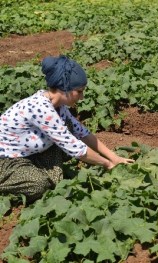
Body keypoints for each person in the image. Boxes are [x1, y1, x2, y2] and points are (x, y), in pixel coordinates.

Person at [0, 55, 134, 202]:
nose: (82, 97)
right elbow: (75, 148)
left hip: (27, 154)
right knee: (38, 185)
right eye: (79, 91)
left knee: (69, 126)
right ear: (64, 89)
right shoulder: (41, 108)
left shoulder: (58, 106)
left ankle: (41, 173)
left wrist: (114, 157)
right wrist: (107, 164)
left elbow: (82, 133)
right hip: (6, 160)